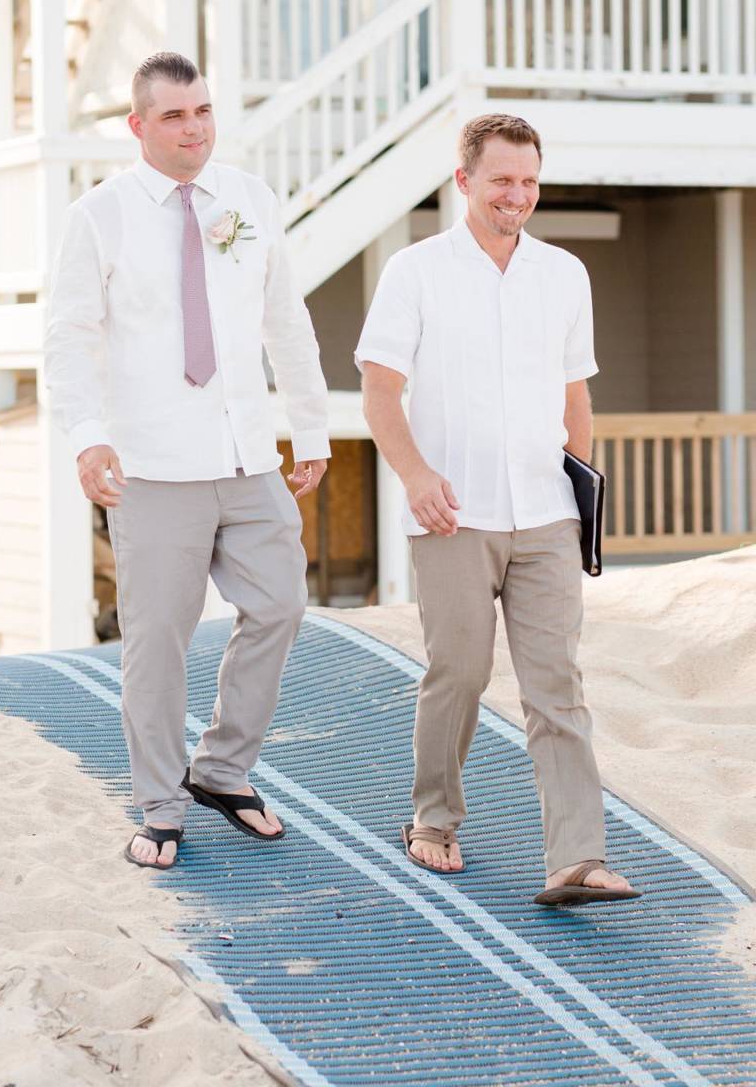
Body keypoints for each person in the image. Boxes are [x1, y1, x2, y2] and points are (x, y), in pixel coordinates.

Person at [45, 52, 330, 870]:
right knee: (158, 642)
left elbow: (286, 319)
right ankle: (161, 804)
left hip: (248, 453)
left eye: (202, 110)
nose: (194, 128)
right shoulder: (98, 216)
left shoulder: (249, 198)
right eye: (174, 116)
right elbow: (69, 337)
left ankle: (223, 770)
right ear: (139, 126)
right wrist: (86, 435)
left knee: (280, 606)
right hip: (152, 464)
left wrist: (308, 428)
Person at [356, 113, 640, 906]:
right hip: (453, 513)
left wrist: (583, 497)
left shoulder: (564, 274)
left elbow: (574, 394)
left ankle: (577, 857)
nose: (517, 195)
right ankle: (433, 819)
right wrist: (415, 478)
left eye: (528, 181)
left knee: (558, 685)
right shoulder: (415, 271)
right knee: (460, 672)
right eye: (501, 180)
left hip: (545, 511)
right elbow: (380, 392)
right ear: (464, 182)